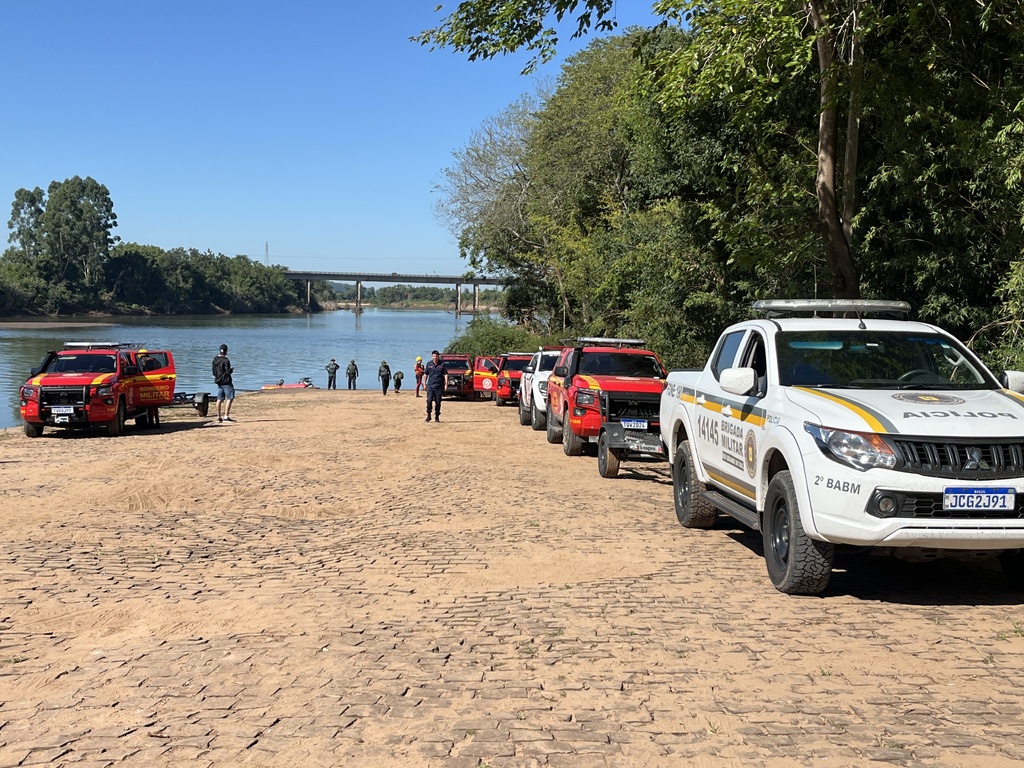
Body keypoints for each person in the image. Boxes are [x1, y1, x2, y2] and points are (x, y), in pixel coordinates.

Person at [212, 343, 235, 423]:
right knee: (230, 398)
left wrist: (217, 377)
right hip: (226, 382)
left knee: (219, 398)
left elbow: (214, 372)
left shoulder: (215, 359)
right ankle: (226, 416)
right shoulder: (226, 360)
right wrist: (231, 370)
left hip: (219, 381)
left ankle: (218, 417)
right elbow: (227, 372)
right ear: (226, 351)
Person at [423, 349, 448, 423]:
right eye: (434, 356)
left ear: (438, 356)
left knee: (438, 402)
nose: (435, 357)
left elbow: (445, 374)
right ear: (431, 356)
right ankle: (428, 415)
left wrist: (446, 384)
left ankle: (437, 416)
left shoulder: (442, 364)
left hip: (439, 386)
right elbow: (425, 374)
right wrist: (424, 383)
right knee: (429, 401)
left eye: (436, 356)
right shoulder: (429, 364)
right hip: (430, 386)